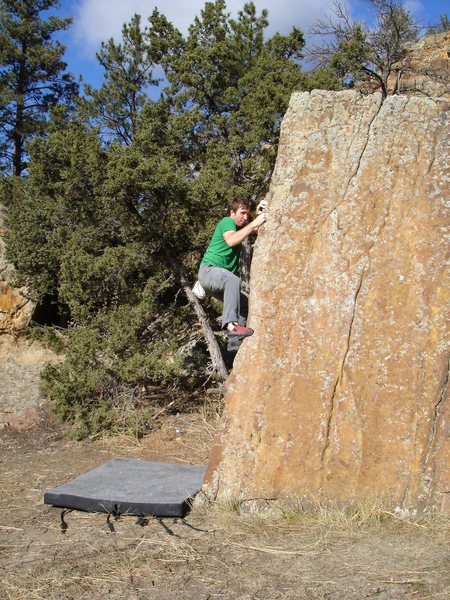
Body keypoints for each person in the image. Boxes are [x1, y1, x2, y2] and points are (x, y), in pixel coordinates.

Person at [198, 198, 268, 338]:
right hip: (209, 271)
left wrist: (259, 213)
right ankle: (231, 324)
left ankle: (235, 344)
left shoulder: (240, 227)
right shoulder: (227, 221)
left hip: (217, 278)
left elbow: (255, 229)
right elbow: (231, 240)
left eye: (247, 213)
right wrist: (255, 221)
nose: (245, 217)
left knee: (244, 304)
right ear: (232, 212)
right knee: (233, 281)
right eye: (242, 213)